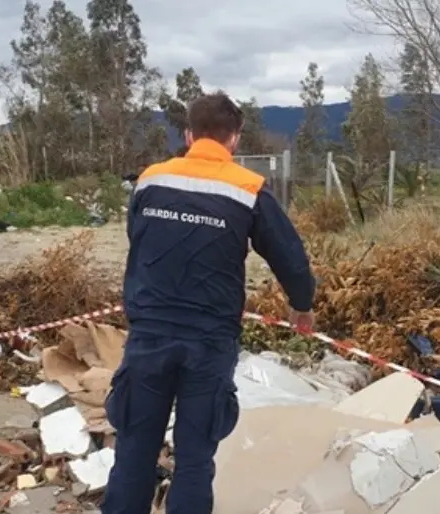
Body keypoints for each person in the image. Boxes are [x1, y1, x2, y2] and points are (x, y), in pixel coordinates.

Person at [103, 93, 316, 514]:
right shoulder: (248, 189)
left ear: (188, 134)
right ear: (235, 138)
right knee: (195, 460)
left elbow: (138, 239)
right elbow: (290, 257)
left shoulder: (150, 181)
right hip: (209, 343)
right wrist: (302, 303)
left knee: (134, 451)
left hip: (150, 336)